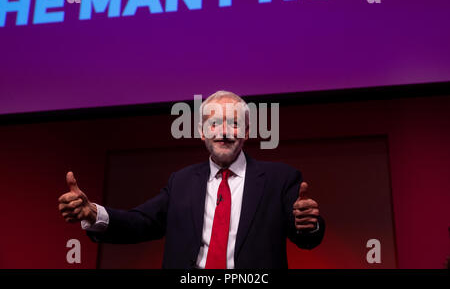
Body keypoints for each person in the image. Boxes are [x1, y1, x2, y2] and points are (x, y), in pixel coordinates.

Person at [58, 90, 325, 269]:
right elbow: (141, 223)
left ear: (246, 131)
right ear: (201, 132)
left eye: (233, 123)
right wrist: (93, 213)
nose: (223, 132)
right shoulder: (181, 181)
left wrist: (308, 224)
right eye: (214, 124)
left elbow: (304, 234)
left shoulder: (281, 179)